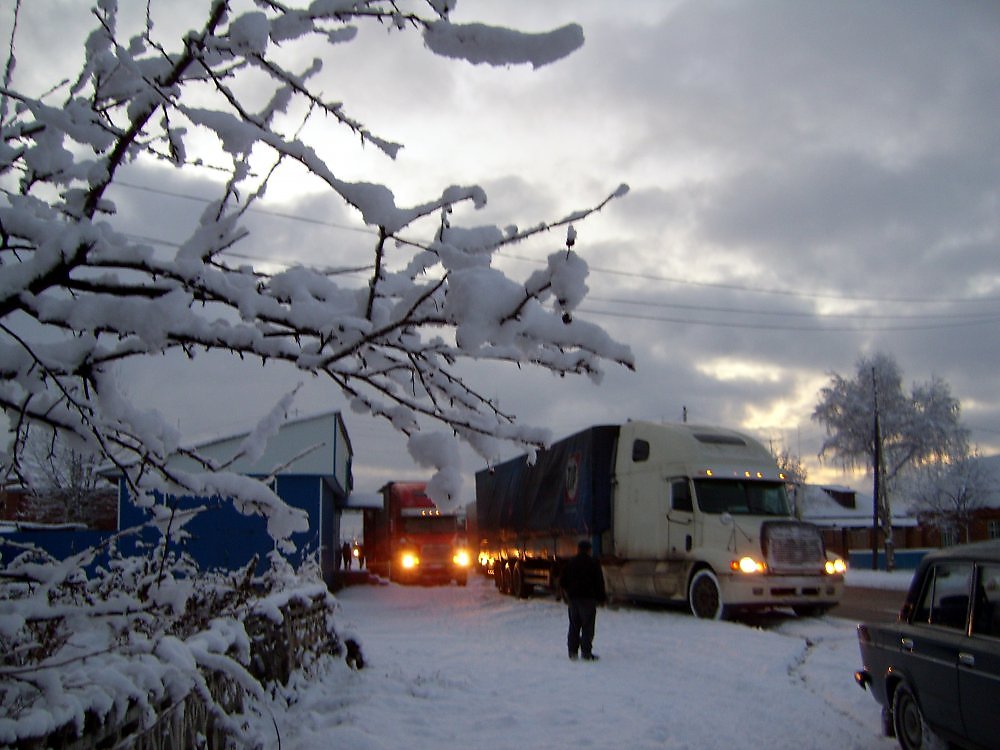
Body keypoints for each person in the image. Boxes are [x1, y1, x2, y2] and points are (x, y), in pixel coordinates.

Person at [558, 539, 606, 661]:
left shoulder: (570, 563)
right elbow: (599, 582)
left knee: (574, 626)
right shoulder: (593, 563)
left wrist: (568, 592)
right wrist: (601, 598)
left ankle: (572, 652)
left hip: (573, 600)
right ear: (589, 550)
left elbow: (562, 581)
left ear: (578, 550)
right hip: (588, 600)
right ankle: (586, 653)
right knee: (587, 627)